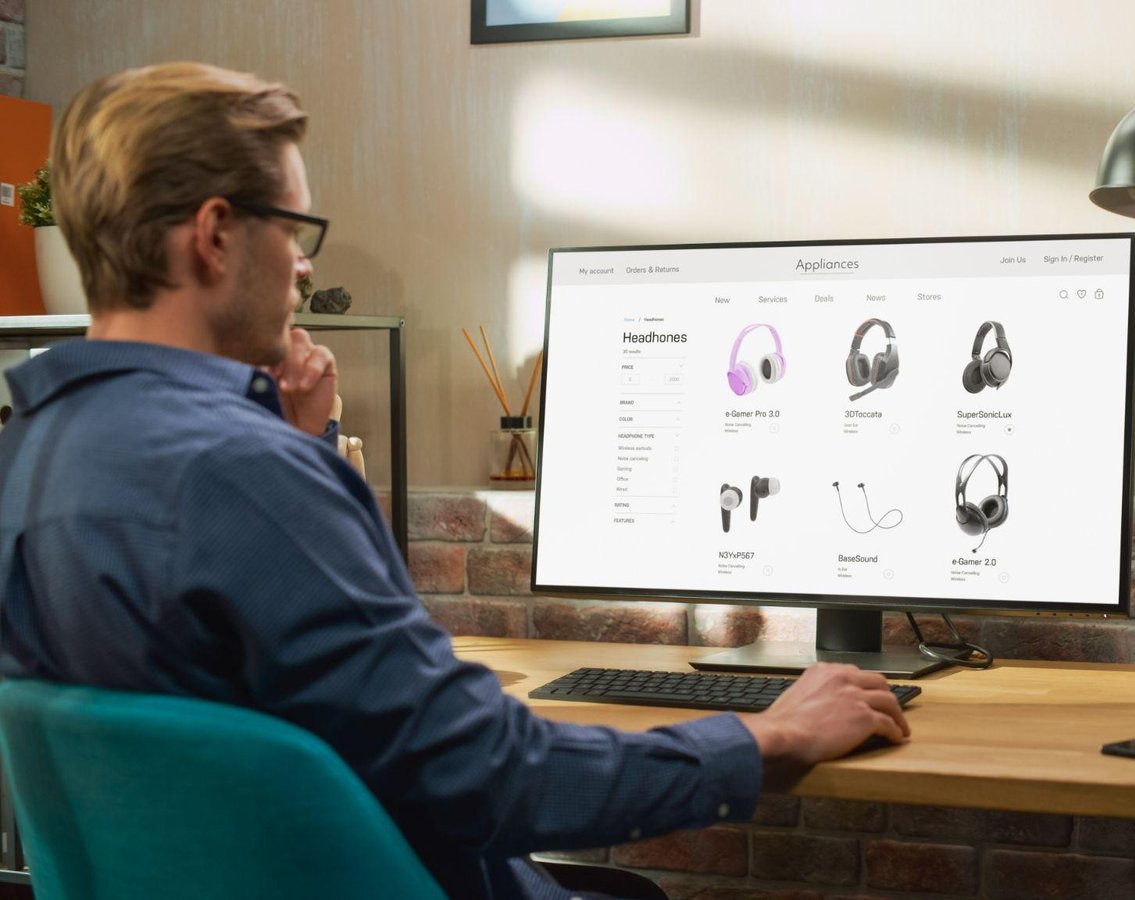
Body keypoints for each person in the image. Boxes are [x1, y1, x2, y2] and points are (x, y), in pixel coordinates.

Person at [0, 62, 911, 900]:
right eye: (295, 229)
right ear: (214, 235)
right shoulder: (243, 476)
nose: (306, 263)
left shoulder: (33, 452)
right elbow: (493, 778)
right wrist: (766, 736)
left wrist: (290, 448)